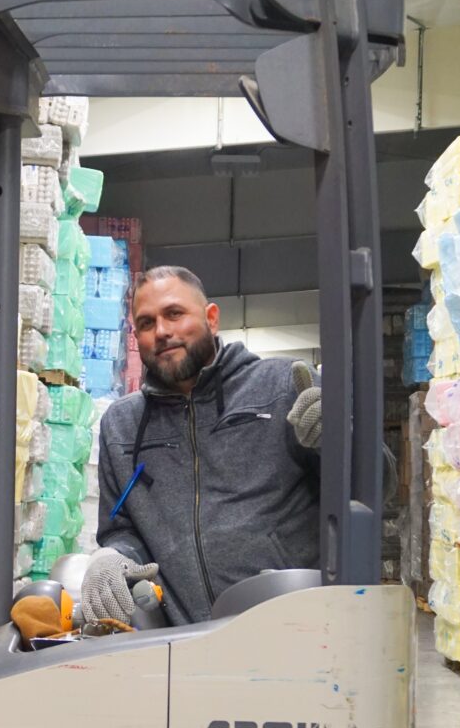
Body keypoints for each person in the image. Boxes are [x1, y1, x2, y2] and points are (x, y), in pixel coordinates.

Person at [80, 265, 325, 627]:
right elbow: (121, 529)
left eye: (174, 314)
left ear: (211, 319)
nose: (162, 331)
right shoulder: (122, 425)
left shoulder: (284, 385)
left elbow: (371, 488)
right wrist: (112, 556)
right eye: (147, 324)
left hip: (295, 628)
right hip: (186, 646)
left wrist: (336, 440)